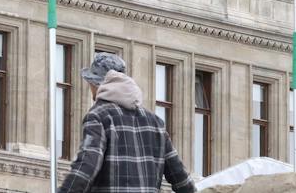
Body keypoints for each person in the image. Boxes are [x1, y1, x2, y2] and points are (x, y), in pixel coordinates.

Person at [57, 53, 197, 193]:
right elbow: (179, 175)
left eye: (90, 83)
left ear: (97, 84)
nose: (91, 89)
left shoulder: (99, 115)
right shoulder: (155, 122)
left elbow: (86, 166)